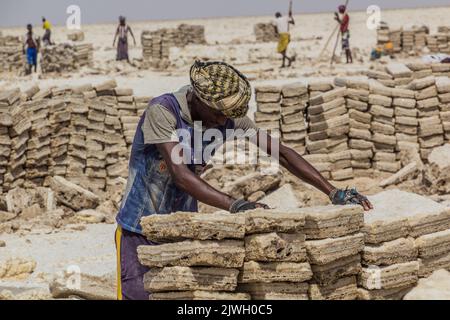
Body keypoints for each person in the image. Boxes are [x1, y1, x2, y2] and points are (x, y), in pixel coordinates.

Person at [114, 60, 373, 300]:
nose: (223, 121)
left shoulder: (227, 118)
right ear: (199, 98)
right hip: (139, 231)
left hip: (181, 230)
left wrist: (332, 191)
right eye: (218, 114)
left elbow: (280, 153)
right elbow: (181, 176)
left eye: (228, 115)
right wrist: (235, 204)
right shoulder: (163, 112)